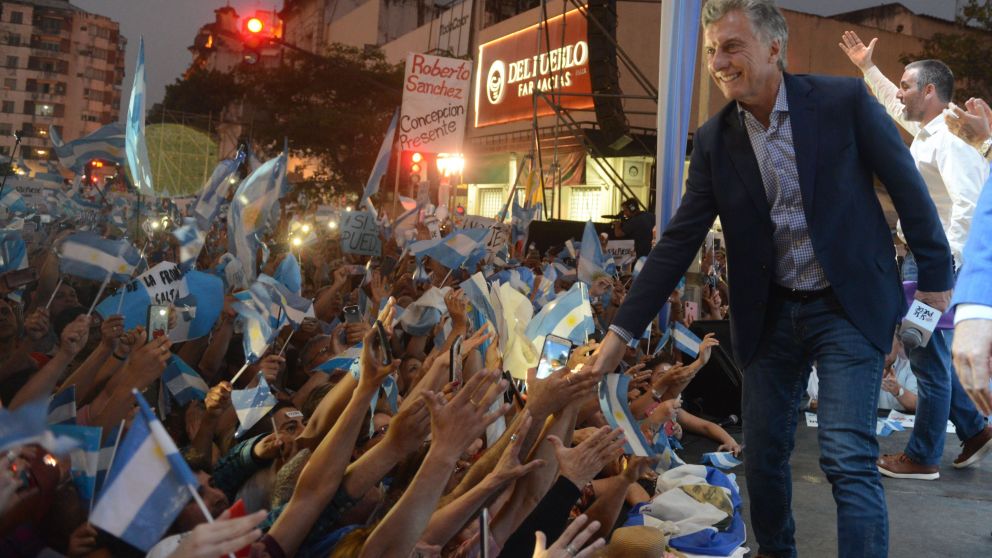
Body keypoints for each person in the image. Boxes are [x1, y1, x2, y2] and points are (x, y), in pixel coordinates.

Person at [589, 1, 954, 556]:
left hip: (847, 306)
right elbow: (679, 242)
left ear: (774, 49)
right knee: (761, 456)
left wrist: (934, 279)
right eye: (713, 50)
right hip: (772, 313)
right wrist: (619, 335)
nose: (719, 61)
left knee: (846, 454)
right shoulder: (714, 140)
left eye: (732, 47)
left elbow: (908, 187)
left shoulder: (841, 102)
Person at [839, 31, 992, 478]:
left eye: (907, 84)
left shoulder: (949, 136)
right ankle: (974, 428)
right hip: (931, 260)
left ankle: (923, 456)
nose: (899, 91)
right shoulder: (931, 129)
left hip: (937, 263)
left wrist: (949, 271)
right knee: (932, 352)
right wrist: (868, 68)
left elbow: (969, 203)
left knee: (924, 357)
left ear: (929, 91)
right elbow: (893, 104)